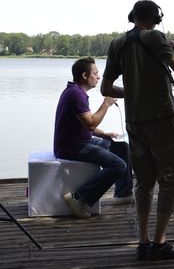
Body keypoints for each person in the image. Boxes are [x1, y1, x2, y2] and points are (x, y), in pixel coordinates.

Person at [101, 0, 174, 261]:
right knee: (171, 180)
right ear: (156, 17)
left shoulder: (117, 43)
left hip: (135, 123)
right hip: (162, 120)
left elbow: (106, 88)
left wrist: (134, 92)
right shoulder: (157, 37)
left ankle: (143, 243)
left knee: (144, 183)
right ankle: (160, 243)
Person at [54, 57, 133, 219]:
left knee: (122, 146)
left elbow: (84, 123)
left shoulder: (75, 91)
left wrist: (104, 134)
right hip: (71, 147)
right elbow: (89, 124)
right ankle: (78, 198)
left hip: (80, 141)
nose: (98, 77)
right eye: (95, 74)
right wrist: (106, 104)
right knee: (118, 165)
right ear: (85, 76)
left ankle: (123, 194)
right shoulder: (76, 95)